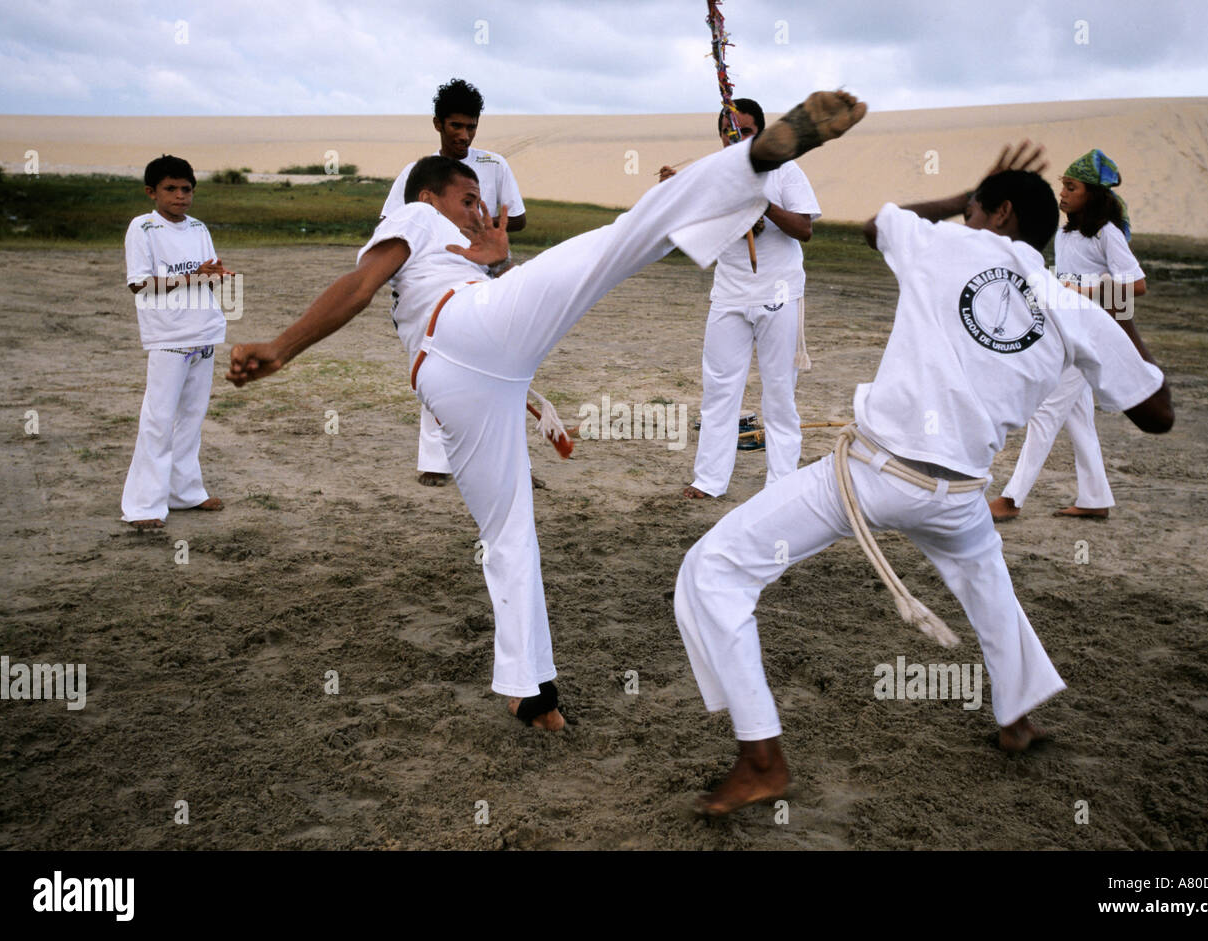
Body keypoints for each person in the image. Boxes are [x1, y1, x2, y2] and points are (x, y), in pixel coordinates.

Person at [227, 90, 869, 731]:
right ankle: (753, 160)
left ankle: (530, 693)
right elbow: (360, 286)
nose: (480, 211)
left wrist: (523, 370)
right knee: (617, 244)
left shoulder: (459, 252)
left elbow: (500, 333)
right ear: (430, 199)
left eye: (482, 200)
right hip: (461, 335)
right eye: (469, 200)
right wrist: (283, 347)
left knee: (508, 534)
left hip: (460, 378)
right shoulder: (417, 218)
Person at [673, 142, 1174, 816]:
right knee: (987, 583)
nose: (963, 218)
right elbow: (1157, 414)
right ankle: (1018, 715)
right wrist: (1118, 322)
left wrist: (958, 199)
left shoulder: (944, 245)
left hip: (873, 473)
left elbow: (877, 225)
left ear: (996, 214)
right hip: (959, 496)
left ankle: (762, 758)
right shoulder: (1065, 301)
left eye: (974, 209)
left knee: (713, 570)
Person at [659, 99, 821, 500]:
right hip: (729, 294)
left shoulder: (785, 168)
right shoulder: (713, 175)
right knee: (718, 390)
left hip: (779, 294)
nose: (737, 139)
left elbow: (804, 229)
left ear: (761, 133)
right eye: (730, 132)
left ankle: (781, 484)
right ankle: (709, 481)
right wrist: (671, 191)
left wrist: (762, 204)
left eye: (746, 132)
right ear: (720, 136)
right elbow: (688, 229)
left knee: (779, 391)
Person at [382, 78, 528, 488]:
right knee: (436, 362)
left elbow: (517, 217)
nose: (464, 135)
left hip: (483, 275)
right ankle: (435, 460)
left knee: (505, 364)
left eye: (471, 126)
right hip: (432, 281)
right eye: (455, 126)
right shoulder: (418, 172)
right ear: (437, 124)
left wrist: (481, 221)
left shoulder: (496, 165)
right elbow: (389, 221)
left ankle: (514, 461)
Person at [989, 148, 1147, 521]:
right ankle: (1095, 499)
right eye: (1062, 186)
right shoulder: (1064, 232)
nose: (1063, 193)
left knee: (1045, 411)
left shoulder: (1107, 234)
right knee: (1078, 417)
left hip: (1088, 335)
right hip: (1064, 328)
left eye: (1071, 187)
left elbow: (1137, 285)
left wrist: (1085, 291)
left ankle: (1011, 500)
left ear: (1091, 193)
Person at [121, 154, 232, 529]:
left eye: (187, 189)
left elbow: (206, 274)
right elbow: (138, 283)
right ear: (152, 192)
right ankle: (144, 506)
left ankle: (185, 492)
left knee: (191, 419)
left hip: (203, 332)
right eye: (171, 189)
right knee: (158, 420)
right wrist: (193, 279)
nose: (180, 196)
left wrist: (214, 275)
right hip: (168, 337)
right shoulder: (143, 228)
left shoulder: (199, 227)